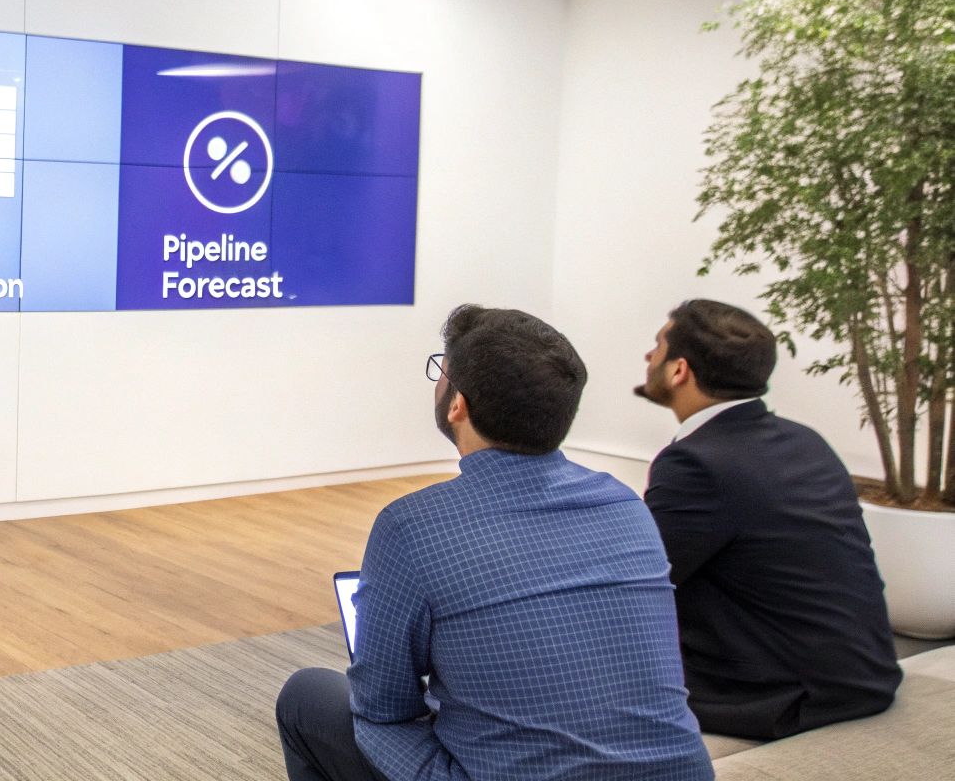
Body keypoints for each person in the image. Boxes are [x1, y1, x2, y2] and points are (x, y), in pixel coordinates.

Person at [277, 305, 711, 781]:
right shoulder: (626, 506)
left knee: (308, 695)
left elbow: (383, 706)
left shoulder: (412, 526)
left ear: (457, 403)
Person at [636, 299, 900, 738]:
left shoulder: (697, 461)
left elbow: (641, 580)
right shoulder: (804, 440)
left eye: (657, 346)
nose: (649, 357)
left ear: (679, 370)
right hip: (864, 675)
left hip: (788, 698)